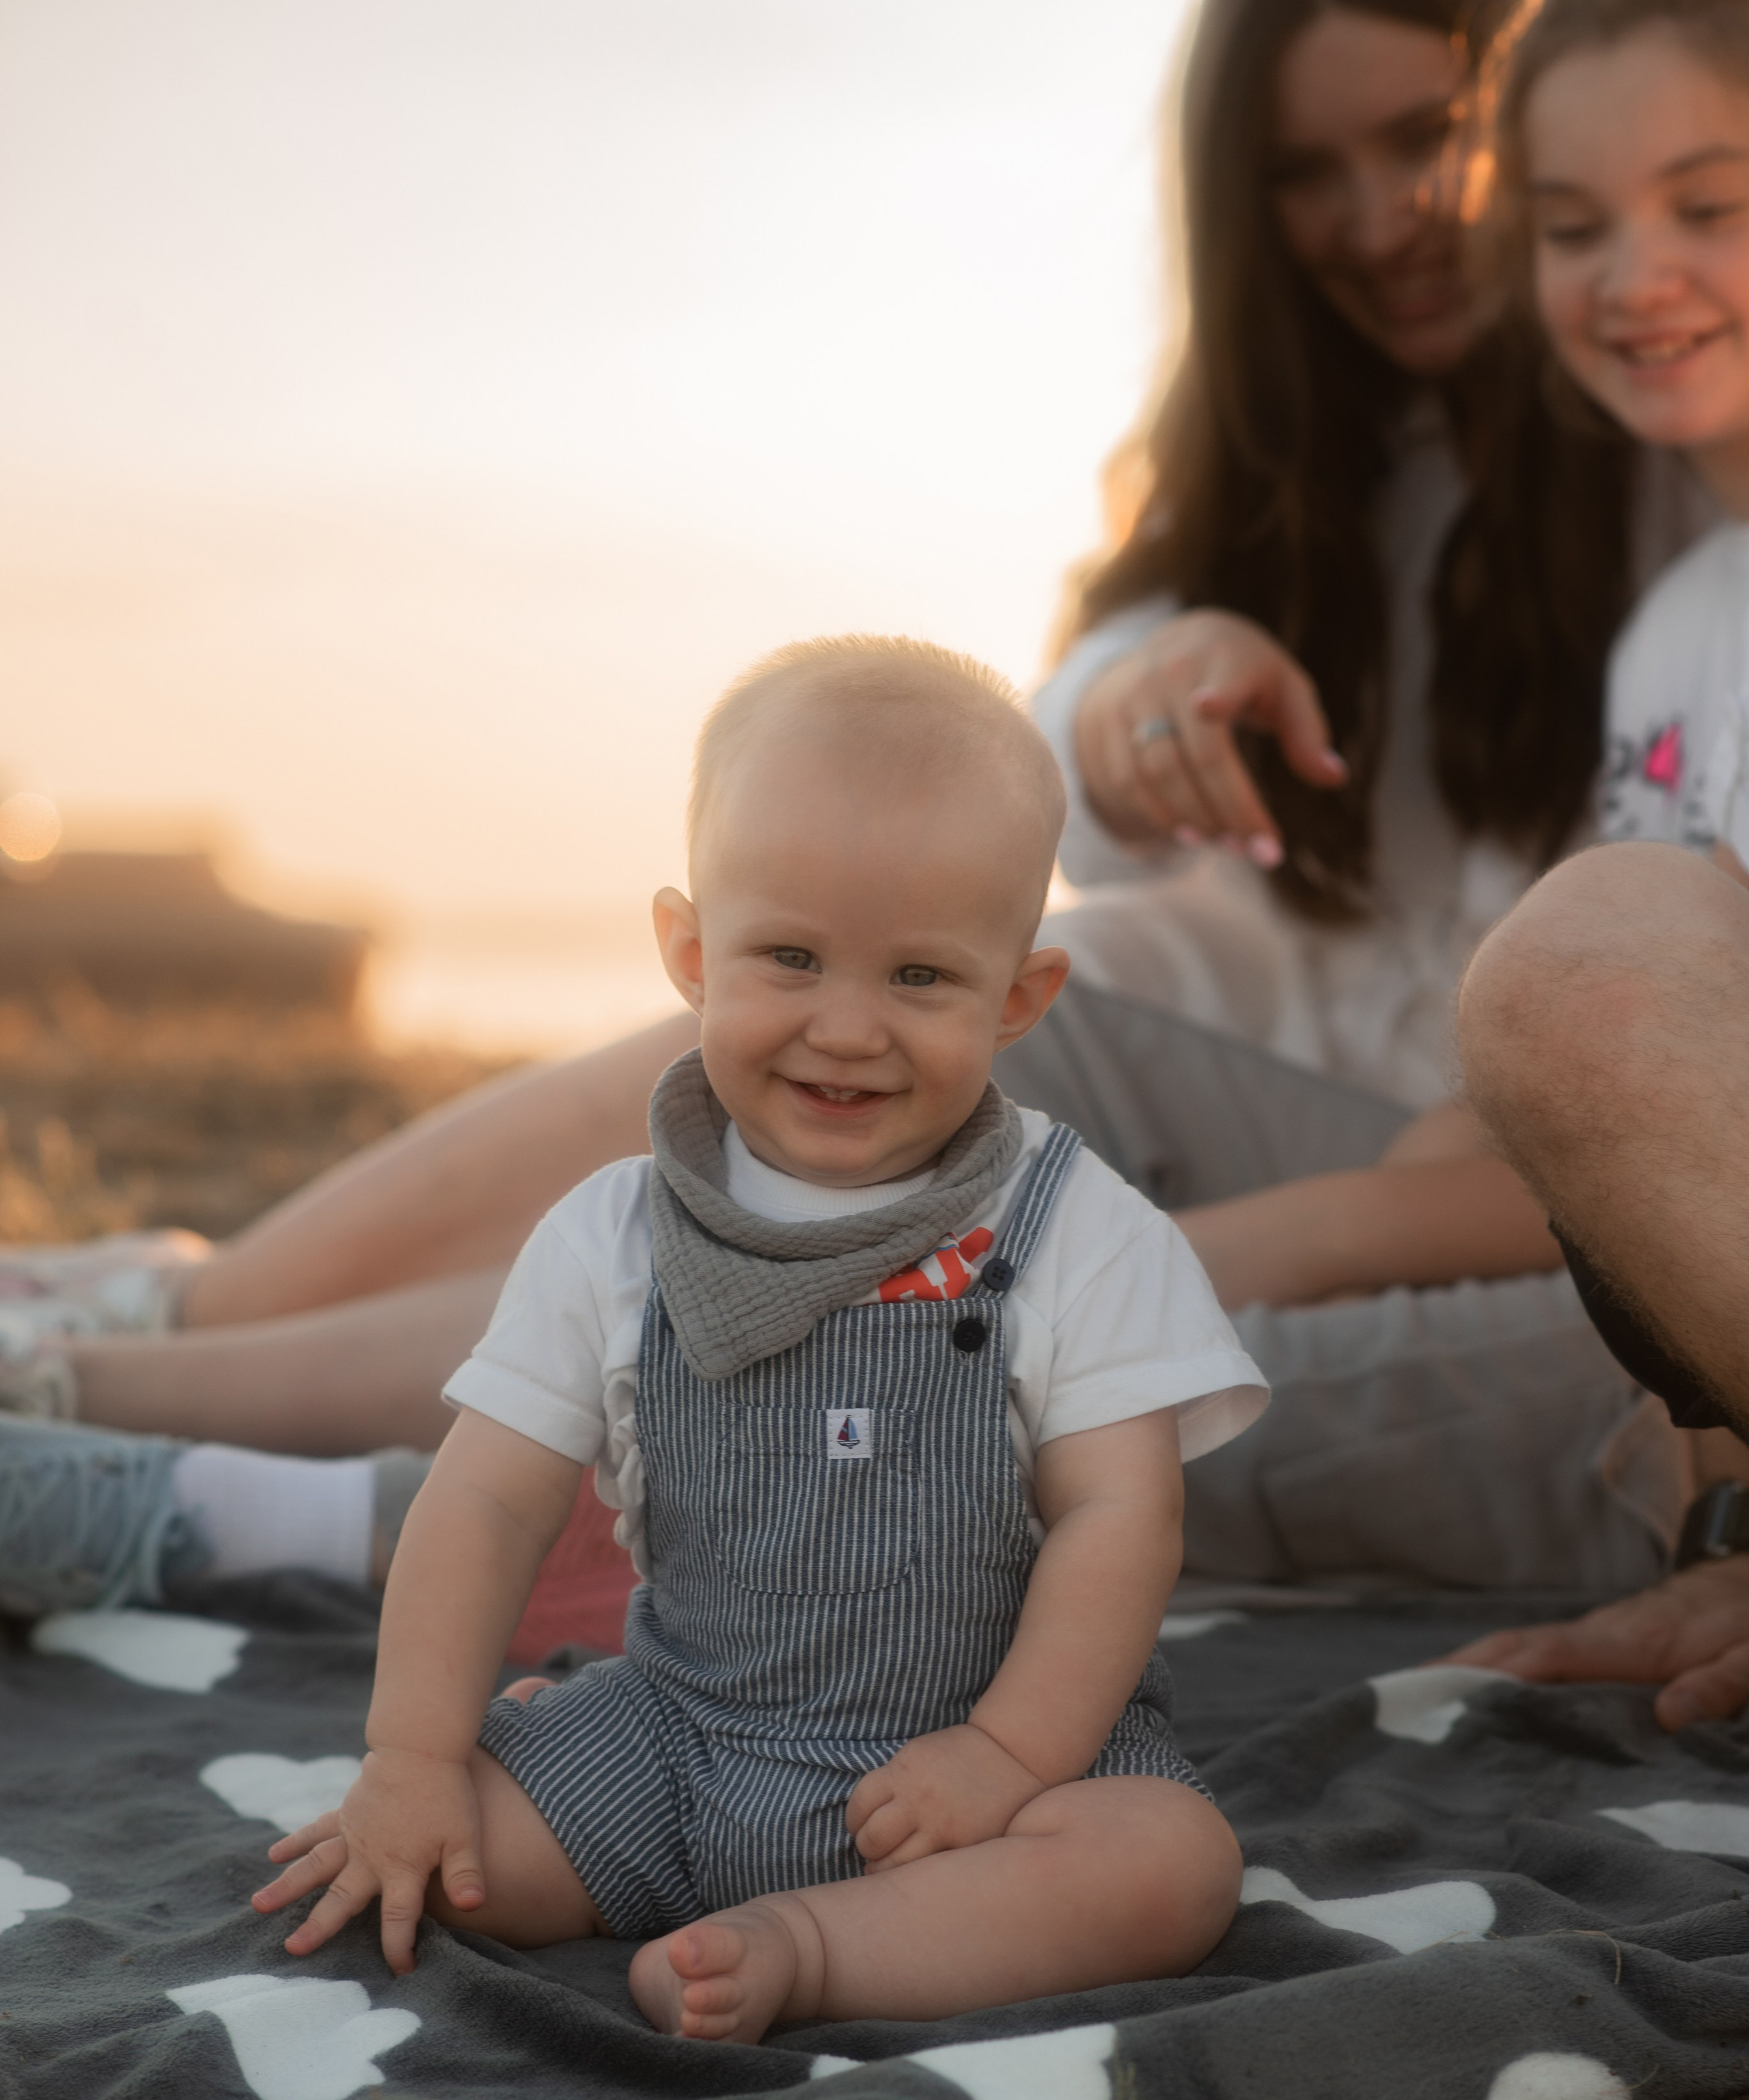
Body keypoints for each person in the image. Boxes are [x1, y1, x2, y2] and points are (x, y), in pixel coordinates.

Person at [0, 0, 1705, 1598]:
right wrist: (1132, 693)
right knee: (857, 1047)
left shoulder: (1676, 459)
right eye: (1304, 173)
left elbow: (1594, 1064)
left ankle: (215, 1491)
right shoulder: (1345, 445)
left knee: (975, 1296)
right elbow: (1054, 763)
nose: (1382, 215)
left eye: (1430, 142)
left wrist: (1297, 1226)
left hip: (1524, 1172)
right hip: (1365, 1099)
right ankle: (125, 1347)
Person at [251, 639, 1258, 2040]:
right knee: (434, 1857)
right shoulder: (617, 1231)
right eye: (788, 957)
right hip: (674, 1744)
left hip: (971, 1781)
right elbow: (483, 1495)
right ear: (687, 951)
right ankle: (597, 1827)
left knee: (1168, 1866)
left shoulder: (1077, 1230)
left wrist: (1005, 1751)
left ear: (1018, 998)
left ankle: (807, 1948)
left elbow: (1121, 1518)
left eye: (918, 976)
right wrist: (411, 1754)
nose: (844, 1029)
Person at [1446, 0, 1749, 1723]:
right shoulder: (1671, 632)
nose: (1631, 274)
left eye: (1706, 205)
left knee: (1584, 959)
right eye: (1571, 228)